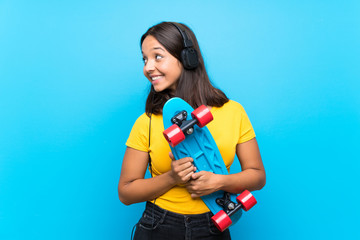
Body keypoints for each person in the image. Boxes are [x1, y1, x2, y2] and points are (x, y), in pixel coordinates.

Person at [118, 21, 266, 240]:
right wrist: (172, 178)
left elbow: (257, 176)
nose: (148, 67)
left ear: (187, 58)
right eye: (144, 59)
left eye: (157, 57)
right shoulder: (147, 122)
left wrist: (220, 182)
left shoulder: (233, 112)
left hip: (213, 224)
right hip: (159, 224)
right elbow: (126, 192)